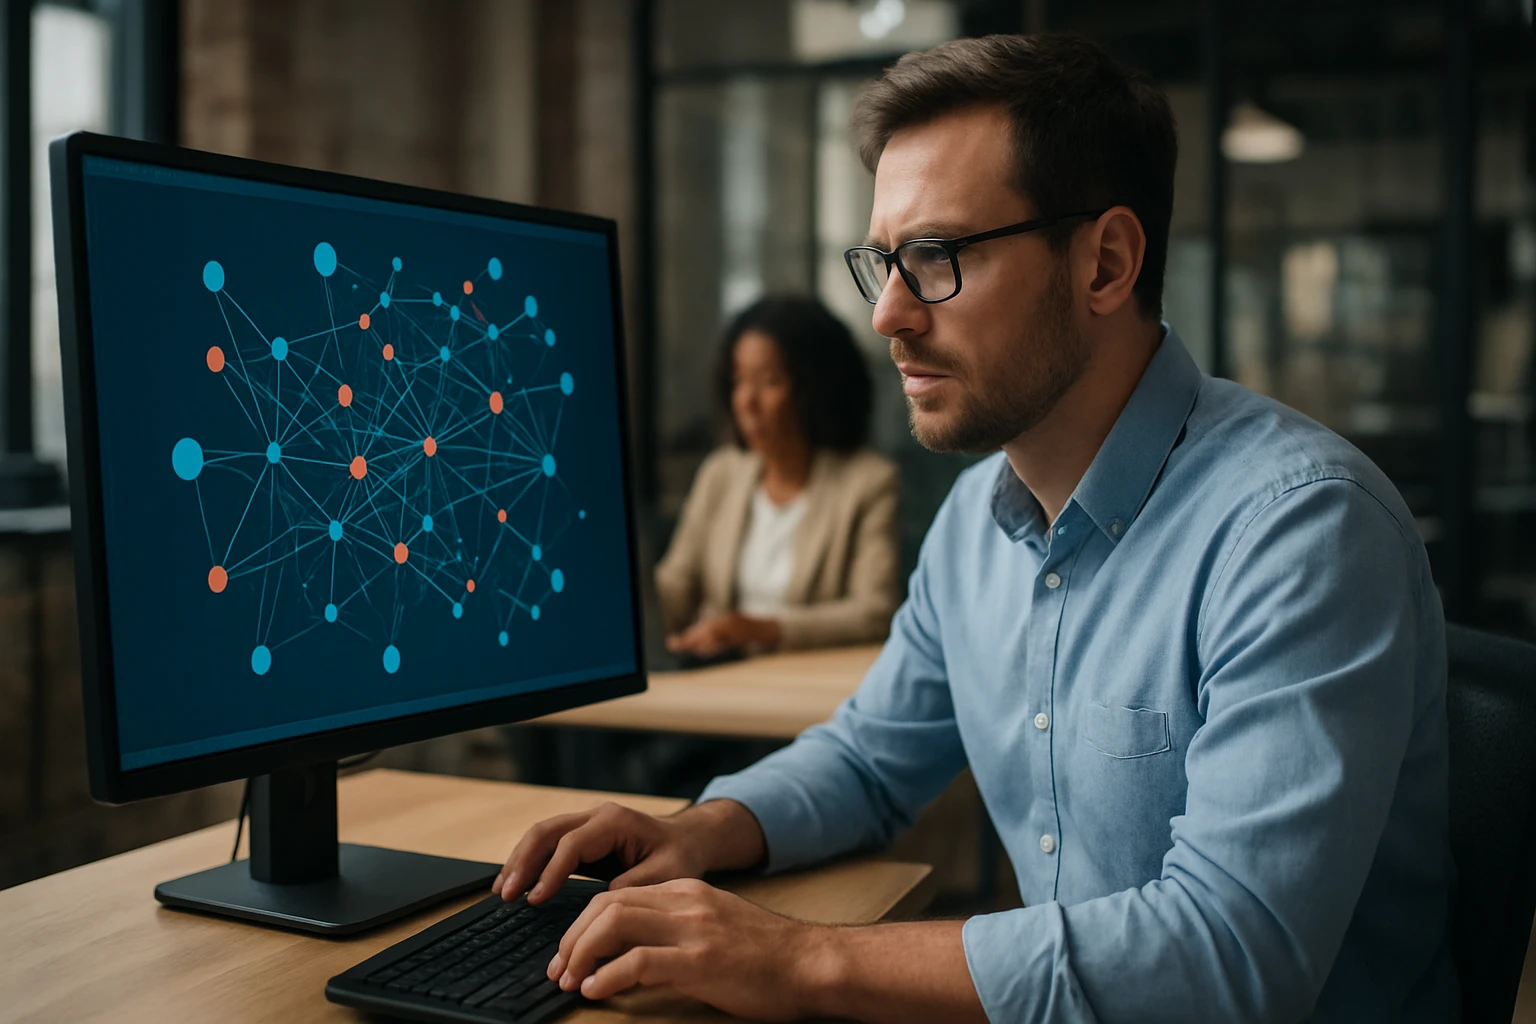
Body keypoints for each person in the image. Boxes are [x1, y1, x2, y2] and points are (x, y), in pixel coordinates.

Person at [492, 33, 1456, 1022]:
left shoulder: (1299, 529)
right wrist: (703, 830)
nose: (889, 317)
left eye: (939, 258)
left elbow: (1229, 959)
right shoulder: (972, 525)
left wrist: (797, 960)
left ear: (1106, 262)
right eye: (884, 263)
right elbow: (870, 759)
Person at [655, 295, 901, 659]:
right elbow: (675, 586)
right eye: (738, 381)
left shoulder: (869, 482)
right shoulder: (722, 472)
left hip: (804, 687)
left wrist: (761, 629)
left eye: (769, 381)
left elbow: (875, 612)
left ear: (814, 389)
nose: (746, 402)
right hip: (715, 679)